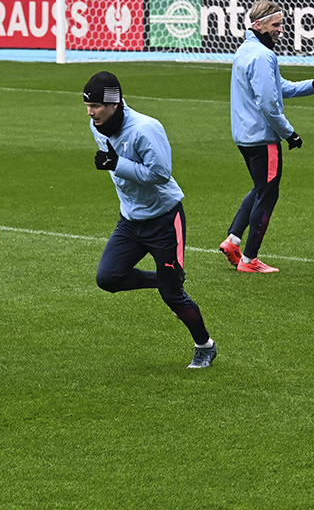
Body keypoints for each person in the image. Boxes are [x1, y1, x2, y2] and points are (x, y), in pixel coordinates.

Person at [84, 71, 217, 369]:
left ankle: (204, 345)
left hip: (164, 220)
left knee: (173, 296)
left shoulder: (146, 129)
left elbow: (160, 175)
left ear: (114, 103)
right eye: (88, 107)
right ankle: (166, 280)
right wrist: (117, 165)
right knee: (108, 278)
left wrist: (118, 164)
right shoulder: (98, 126)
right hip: (130, 221)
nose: (91, 113)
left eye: (96, 106)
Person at [219, 0, 314, 273]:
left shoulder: (247, 50)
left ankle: (233, 240)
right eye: (276, 25)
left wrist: (313, 85)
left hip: (244, 136)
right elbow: (269, 103)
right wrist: (289, 133)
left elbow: (277, 87)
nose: (280, 30)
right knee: (268, 195)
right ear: (258, 25)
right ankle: (250, 260)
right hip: (262, 137)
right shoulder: (263, 55)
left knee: (260, 188)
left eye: (281, 24)